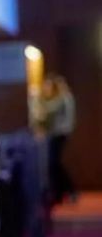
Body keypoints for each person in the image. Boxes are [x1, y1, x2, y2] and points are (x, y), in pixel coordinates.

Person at [42, 74, 77, 204]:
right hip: (58, 133)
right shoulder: (64, 97)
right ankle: (61, 193)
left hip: (60, 133)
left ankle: (69, 190)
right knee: (54, 164)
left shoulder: (64, 98)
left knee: (54, 163)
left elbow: (50, 108)